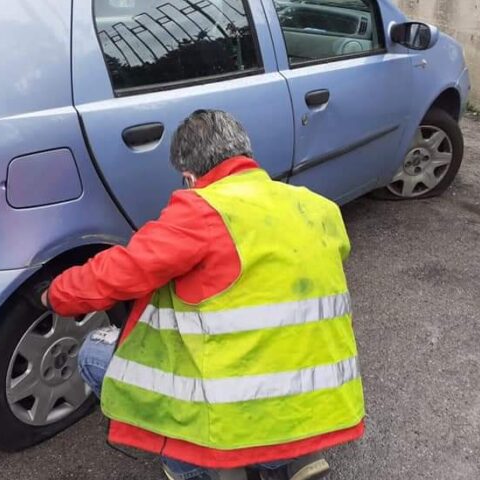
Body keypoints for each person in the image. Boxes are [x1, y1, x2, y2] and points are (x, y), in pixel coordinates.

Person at [43, 110, 365, 480]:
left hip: (240, 410)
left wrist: (54, 295)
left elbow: (116, 274)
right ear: (244, 152)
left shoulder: (201, 212)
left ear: (189, 177)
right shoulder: (317, 207)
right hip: (319, 398)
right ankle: (288, 461)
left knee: (95, 353)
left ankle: (198, 468)